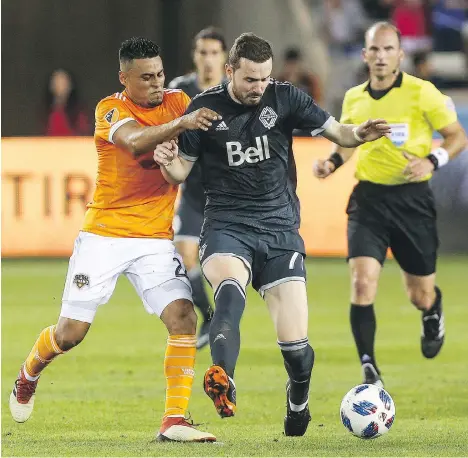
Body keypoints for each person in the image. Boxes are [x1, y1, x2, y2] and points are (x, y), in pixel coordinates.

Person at [153, 32, 390, 436]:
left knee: (297, 351)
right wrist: (166, 160)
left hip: (280, 231)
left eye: (264, 79)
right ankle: (222, 378)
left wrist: (360, 133)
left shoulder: (286, 98)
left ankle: (298, 401)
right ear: (230, 71)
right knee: (229, 288)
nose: (258, 88)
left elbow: (338, 132)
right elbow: (180, 171)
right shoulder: (204, 108)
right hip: (226, 226)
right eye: (249, 80)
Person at [9, 37, 222, 443]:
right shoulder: (110, 109)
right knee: (70, 333)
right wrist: (180, 125)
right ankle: (28, 374)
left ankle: (173, 420)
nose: (157, 83)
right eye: (146, 77)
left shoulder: (179, 101)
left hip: (155, 239)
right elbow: (133, 141)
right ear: (125, 78)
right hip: (104, 235)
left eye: (160, 74)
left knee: (183, 316)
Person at [313, 22, 467, 387]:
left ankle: (432, 309)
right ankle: (369, 367)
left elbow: (456, 136)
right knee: (362, 283)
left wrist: (432, 161)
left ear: (400, 54)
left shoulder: (422, 93)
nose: (381, 56)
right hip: (368, 200)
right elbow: (348, 142)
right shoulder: (353, 98)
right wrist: (332, 163)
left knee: (419, 294)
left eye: (388, 49)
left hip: (411, 200)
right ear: (365, 55)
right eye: (374, 50)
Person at [168, 27, 227, 349]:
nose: (208, 60)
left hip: (225, 191)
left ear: (224, 57)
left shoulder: (231, 92)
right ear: (195, 56)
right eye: (203, 52)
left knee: (222, 264)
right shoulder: (180, 91)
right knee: (185, 254)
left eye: (214, 53)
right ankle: (208, 316)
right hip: (192, 190)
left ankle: (225, 322)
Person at [45, 68, 91, 136]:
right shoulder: (45, 111)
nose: (60, 86)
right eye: (57, 82)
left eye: (63, 82)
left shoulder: (79, 112)